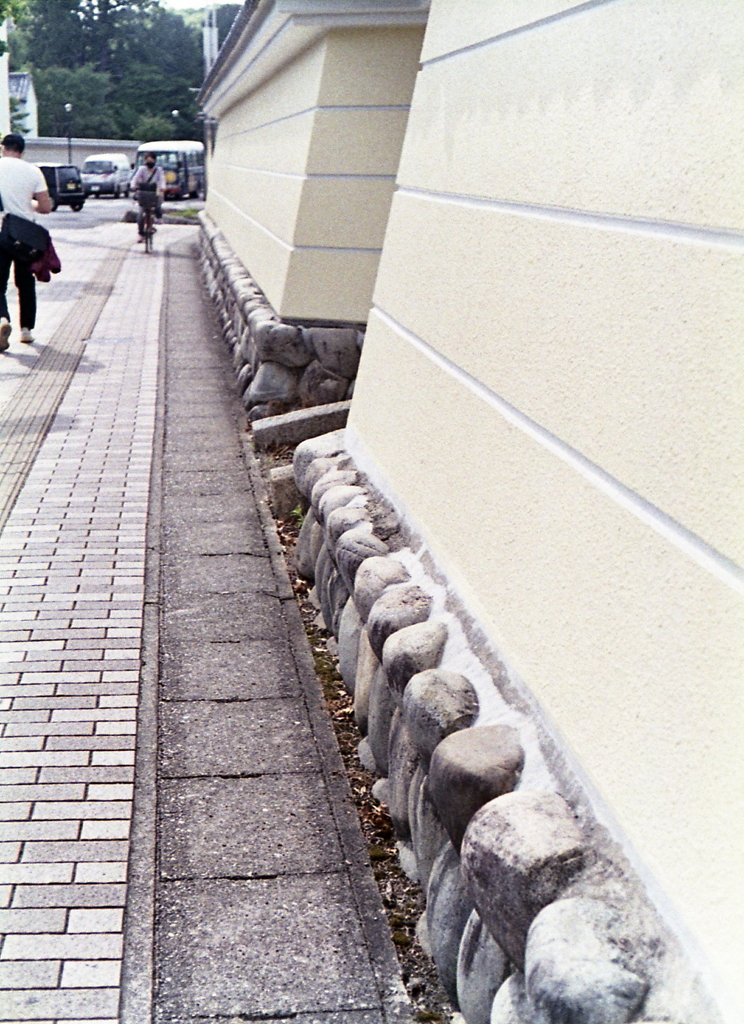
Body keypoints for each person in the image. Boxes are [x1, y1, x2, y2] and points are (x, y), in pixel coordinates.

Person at [0, 133, 52, 350]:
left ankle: (2, 319)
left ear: (3, 148)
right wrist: (29, 204)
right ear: (22, 151)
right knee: (25, 283)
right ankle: (26, 330)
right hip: (25, 235)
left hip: (0, 231)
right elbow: (45, 207)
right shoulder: (33, 171)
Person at [130, 153, 165, 242]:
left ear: (154, 161)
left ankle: (158, 216)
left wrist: (162, 187)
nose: (149, 163)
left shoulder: (158, 170)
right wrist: (133, 185)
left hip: (153, 192)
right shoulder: (142, 169)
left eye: (151, 161)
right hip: (143, 192)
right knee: (141, 213)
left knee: (158, 202)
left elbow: (162, 180)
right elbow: (135, 178)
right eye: (147, 161)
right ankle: (140, 233)